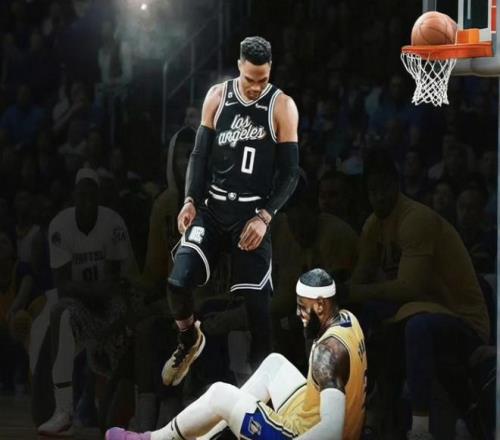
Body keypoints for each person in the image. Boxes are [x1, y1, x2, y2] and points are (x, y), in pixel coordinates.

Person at [161, 36, 299, 387]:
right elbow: (198, 155)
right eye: (250, 78)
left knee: (259, 314)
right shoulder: (217, 96)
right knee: (177, 283)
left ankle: (262, 393)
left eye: (263, 79)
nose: (256, 87)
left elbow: (290, 173)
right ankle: (189, 338)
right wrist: (190, 200)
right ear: (239, 66)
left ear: (270, 71)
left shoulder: (282, 106)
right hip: (214, 207)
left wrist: (265, 217)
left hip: (251, 215)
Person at [106, 268, 367, 440]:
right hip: (316, 418)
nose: (298, 314)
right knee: (274, 364)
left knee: (220, 393)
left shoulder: (327, 353)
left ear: (320, 305)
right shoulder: (347, 320)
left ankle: (155, 438)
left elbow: (331, 432)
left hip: (306, 434)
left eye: (302, 307)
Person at [344, 150, 490, 440]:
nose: (379, 197)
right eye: (372, 191)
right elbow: (359, 282)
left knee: (416, 327)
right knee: (360, 318)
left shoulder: (416, 220)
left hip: (463, 319)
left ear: (396, 185)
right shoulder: (373, 226)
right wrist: (340, 293)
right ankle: (369, 414)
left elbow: (409, 288)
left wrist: (354, 291)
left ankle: (420, 428)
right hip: (421, 311)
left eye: (384, 189)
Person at [36, 168, 136, 436]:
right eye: (82, 195)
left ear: (99, 197)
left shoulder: (113, 223)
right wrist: (93, 290)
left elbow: (114, 282)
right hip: (80, 305)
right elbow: (62, 286)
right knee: (60, 314)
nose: (88, 201)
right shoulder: (60, 226)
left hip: (112, 304)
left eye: (92, 195)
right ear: (74, 196)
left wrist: (89, 289)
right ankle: (63, 411)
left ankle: (128, 404)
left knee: (109, 423)